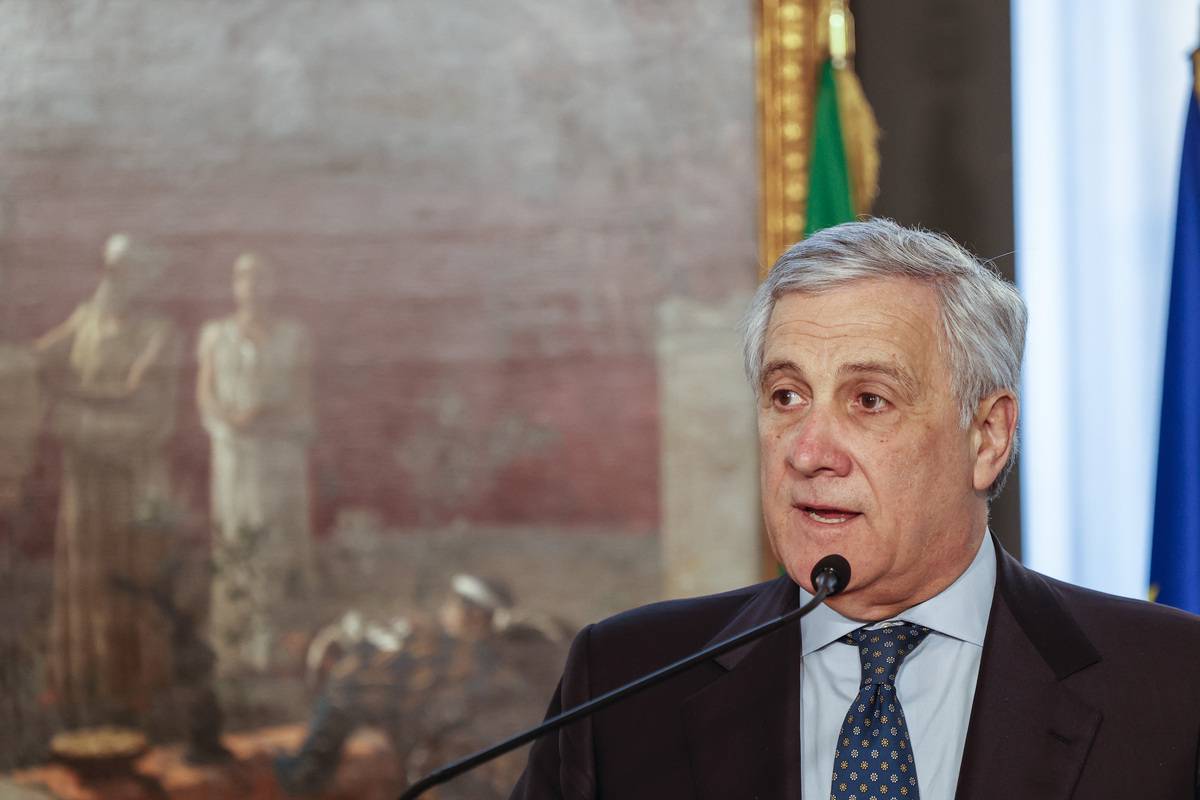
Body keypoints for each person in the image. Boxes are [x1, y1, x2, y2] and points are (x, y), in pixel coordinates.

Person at [511, 219, 1200, 799]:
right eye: (787, 397)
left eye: (869, 400)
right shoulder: (625, 683)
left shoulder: (1173, 685)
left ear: (987, 436)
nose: (808, 452)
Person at [34, 233, 180, 727]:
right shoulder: (83, 321)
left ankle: (137, 688)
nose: (120, 283)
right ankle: (83, 683)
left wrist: (75, 397)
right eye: (115, 273)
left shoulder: (160, 332)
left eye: (133, 274)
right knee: (87, 570)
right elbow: (36, 360)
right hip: (88, 470)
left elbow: (136, 396)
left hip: (135, 472)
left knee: (134, 570)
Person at [275, 574, 565, 799]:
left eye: (451, 605)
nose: (444, 611)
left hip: (468, 761)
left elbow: (351, 690)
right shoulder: (478, 652)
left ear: (471, 613)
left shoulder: (453, 651)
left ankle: (304, 773)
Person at [197, 251, 316, 675]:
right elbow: (206, 394)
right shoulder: (215, 335)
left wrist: (267, 413)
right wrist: (232, 420)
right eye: (243, 278)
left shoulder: (293, 335)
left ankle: (280, 651)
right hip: (235, 457)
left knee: (278, 542)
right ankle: (237, 651)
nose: (252, 287)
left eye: (260, 278)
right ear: (234, 285)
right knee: (238, 538)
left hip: (280, 455)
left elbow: (303, 397)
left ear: (273, 285)